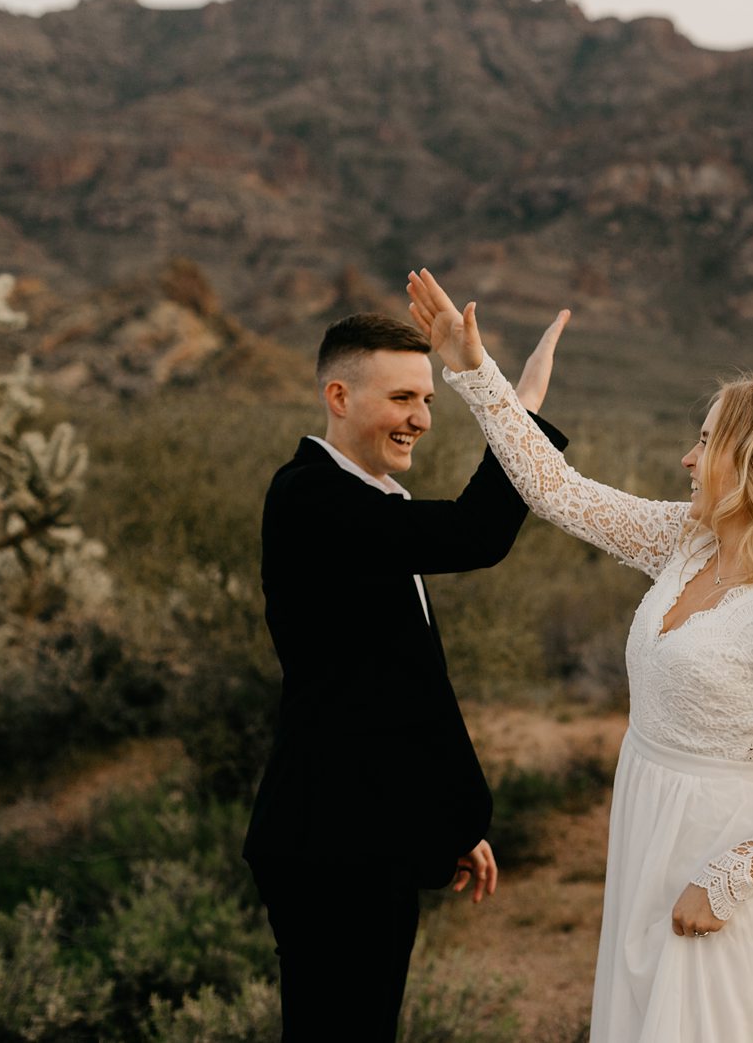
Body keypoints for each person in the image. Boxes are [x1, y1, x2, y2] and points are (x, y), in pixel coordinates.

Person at [407, 270, 753, 1042]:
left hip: (723, 852)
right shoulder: (684, 544)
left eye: (705, 441)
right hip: (646, 824)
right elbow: (554, 489)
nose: (688, 460)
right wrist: (473, 371)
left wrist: (726, 880)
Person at [241, 311, 570, 1040]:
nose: (420, 418)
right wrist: (512, 405)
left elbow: (397, 690)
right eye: (401, 398)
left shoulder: (364, 505)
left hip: (364, 830)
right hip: (330, 843)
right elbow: (475, 533)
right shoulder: (309, 498)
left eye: (426, 399)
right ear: (338, 396)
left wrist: (449, 816)